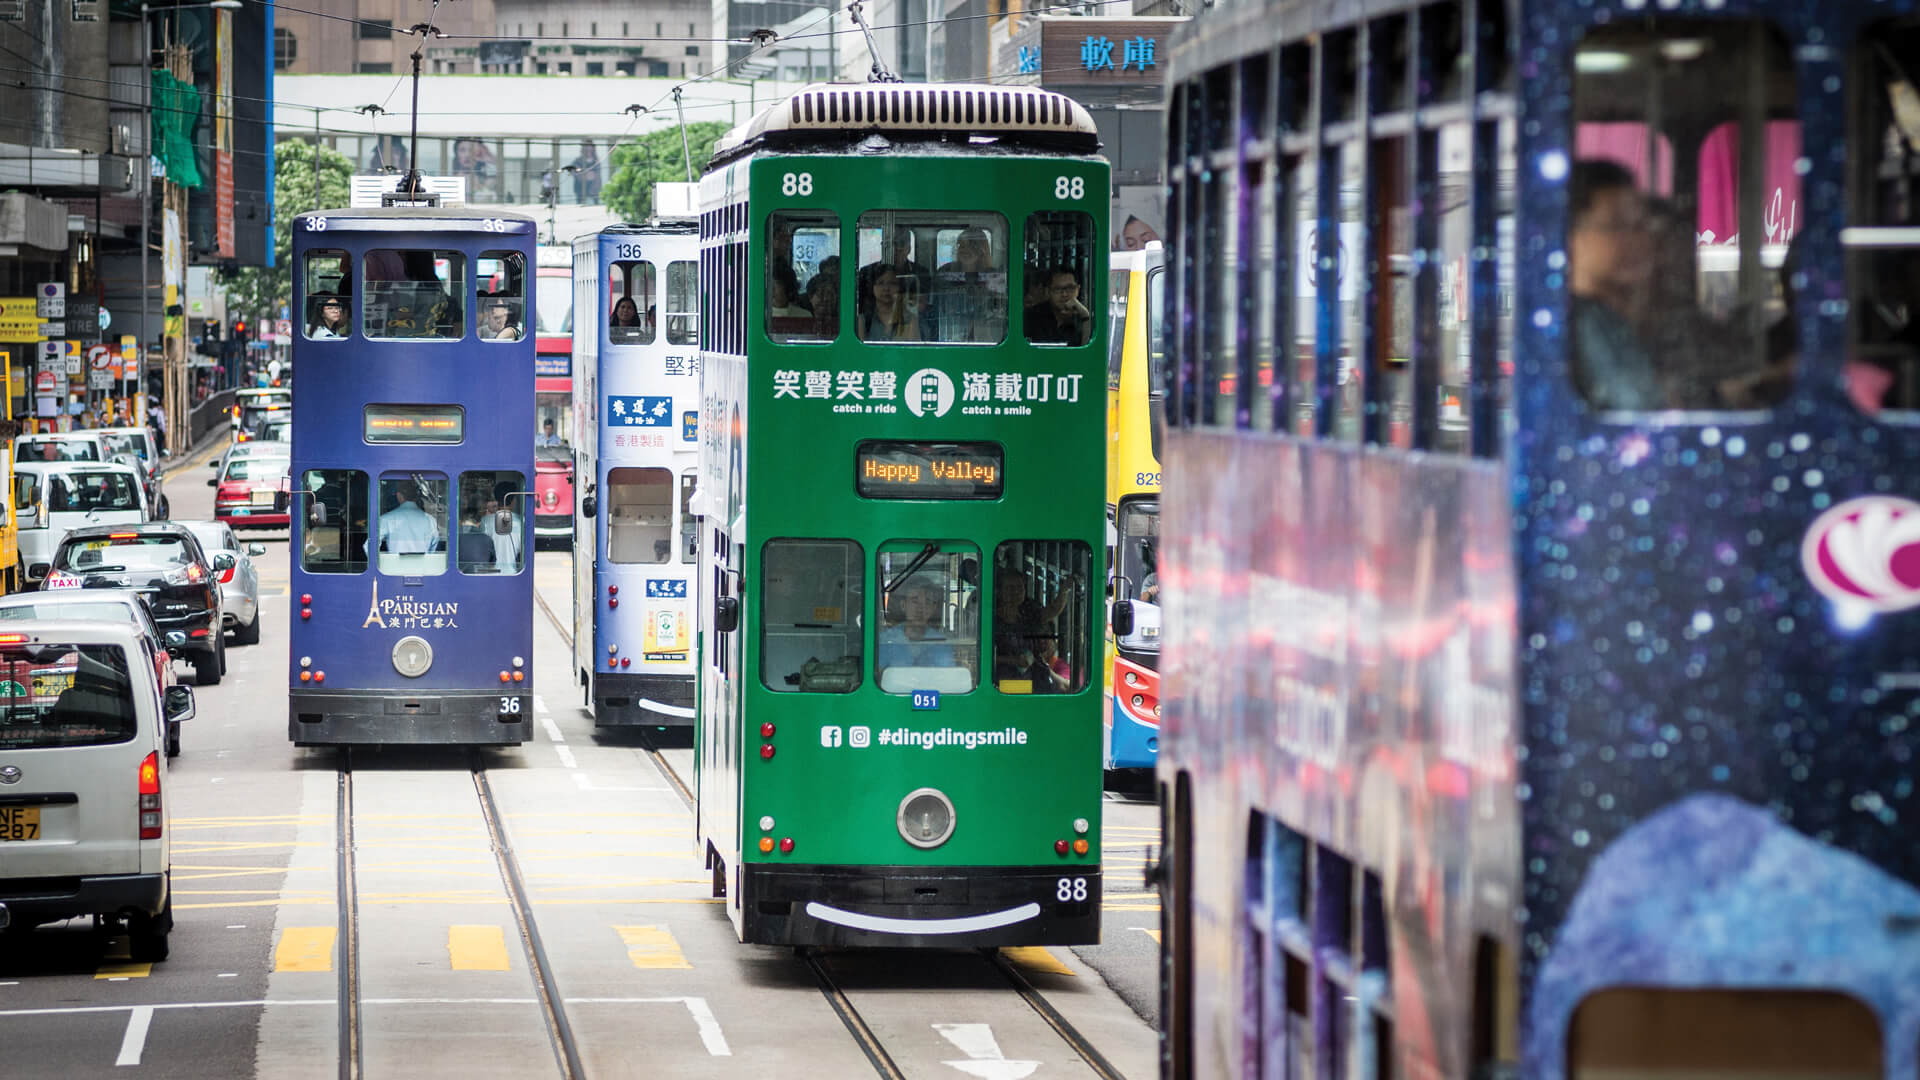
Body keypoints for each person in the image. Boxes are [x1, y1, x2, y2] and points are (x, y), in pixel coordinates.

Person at [1566, 159, 1661, 411]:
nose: (1638, 239)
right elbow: (1639, 407)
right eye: (1618, 226)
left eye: (1641, 225)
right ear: (1572, 236)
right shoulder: (1583, 323)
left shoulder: (1613, 318)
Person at [928, 226, 1006, 343]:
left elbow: (1001, 308)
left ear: (981, 250)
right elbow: (934, 308)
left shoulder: (993, 275)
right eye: (961, 245)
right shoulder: (945, 272)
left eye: (972, 245)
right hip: (950, 332)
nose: (965, 250)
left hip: (988, 335)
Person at [876, 579, 959, 675]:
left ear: (933, 608)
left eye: (927, 602)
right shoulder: (886, 640)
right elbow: (877, 676)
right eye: (914, 601)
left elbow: (947, 676)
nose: (920, 608)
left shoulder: (941, 642)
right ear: (903, 605)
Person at [857, 226, 931, 320]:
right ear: (883, 247)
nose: (894, 249)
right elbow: (863, 308)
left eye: (900, 244)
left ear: (908, 248)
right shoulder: (867, 273)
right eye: (889, 245)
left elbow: (922, 305)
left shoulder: (920, 273)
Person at [1024, 267, 1093, 346]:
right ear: (1048, 291)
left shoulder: (1082, 316)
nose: (1064, 294)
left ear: (1078, 289)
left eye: (1070, 288)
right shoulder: (1031, 316)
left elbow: (1087, 351)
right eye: (1057, 289)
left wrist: (1085, 316)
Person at [860, 264, 921, 342]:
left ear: (900, 287)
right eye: (880, 283)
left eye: (892, 283)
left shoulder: (909, 319)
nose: (886, 288)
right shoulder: (863, 320)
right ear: (872, 287)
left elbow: (913, 351)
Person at [378, 479, 439, 555]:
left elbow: (369, 547)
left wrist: (383, 563)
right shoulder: (430, 520)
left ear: (399, 495)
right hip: (423, 566)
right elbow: (433, 546)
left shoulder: (386, 519)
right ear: (416, 497)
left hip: (393, 566)